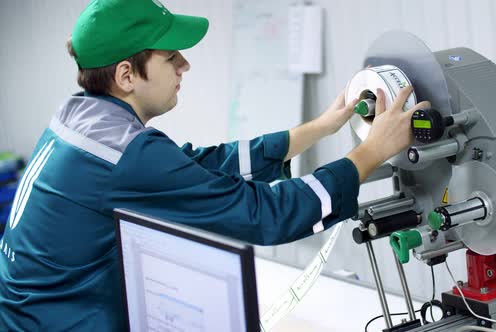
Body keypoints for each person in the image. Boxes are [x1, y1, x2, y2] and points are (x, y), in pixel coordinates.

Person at [0, 0, 430, 330]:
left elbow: (196, 167)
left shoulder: (81, 118)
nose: (185, 65)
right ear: (127, 75)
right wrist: (373, 150)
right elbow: (266, 216)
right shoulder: (126, 155)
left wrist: (321, 126)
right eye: (171, 57)